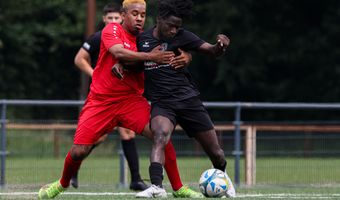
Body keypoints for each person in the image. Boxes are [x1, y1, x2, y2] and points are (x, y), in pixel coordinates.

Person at [38, 0, 202, 199]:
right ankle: (62, 184)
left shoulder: (147, 38)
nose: (139, 18)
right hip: (101, 101)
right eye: (134, 14)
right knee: (79, 151)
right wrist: (149, 56)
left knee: (161, 135)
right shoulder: (112, 30)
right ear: (124, 15)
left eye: (142, 15)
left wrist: (188, 57)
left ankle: (178, 188)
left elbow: (177, 47)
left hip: (131, 101)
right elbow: (118, 52)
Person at [134, 0, 236, 198]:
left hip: (188, 100)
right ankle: (157, 186)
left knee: (216, 153)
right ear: (159, 20)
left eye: (177, 27)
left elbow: (210, 50)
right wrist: (123, 65)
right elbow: (133, 60)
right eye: (171, 26)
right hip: (162, 103)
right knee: (160, 135)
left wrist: (220, 46)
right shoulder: (143, 39)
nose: (174, 31)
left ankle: (222, 177)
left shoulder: (183, 36)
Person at [73, 3, 147, 191]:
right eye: (110, 18)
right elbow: (79, 59)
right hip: (103, 96)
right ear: (104, 19)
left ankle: (136, 179)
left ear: (122, 17)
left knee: (127, 132)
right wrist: (96, 74)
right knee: (96, 139)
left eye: (116, 18)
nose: (113, 21)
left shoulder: (131, 36)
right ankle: (73, 172)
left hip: (124, 95)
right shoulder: (98, 37)